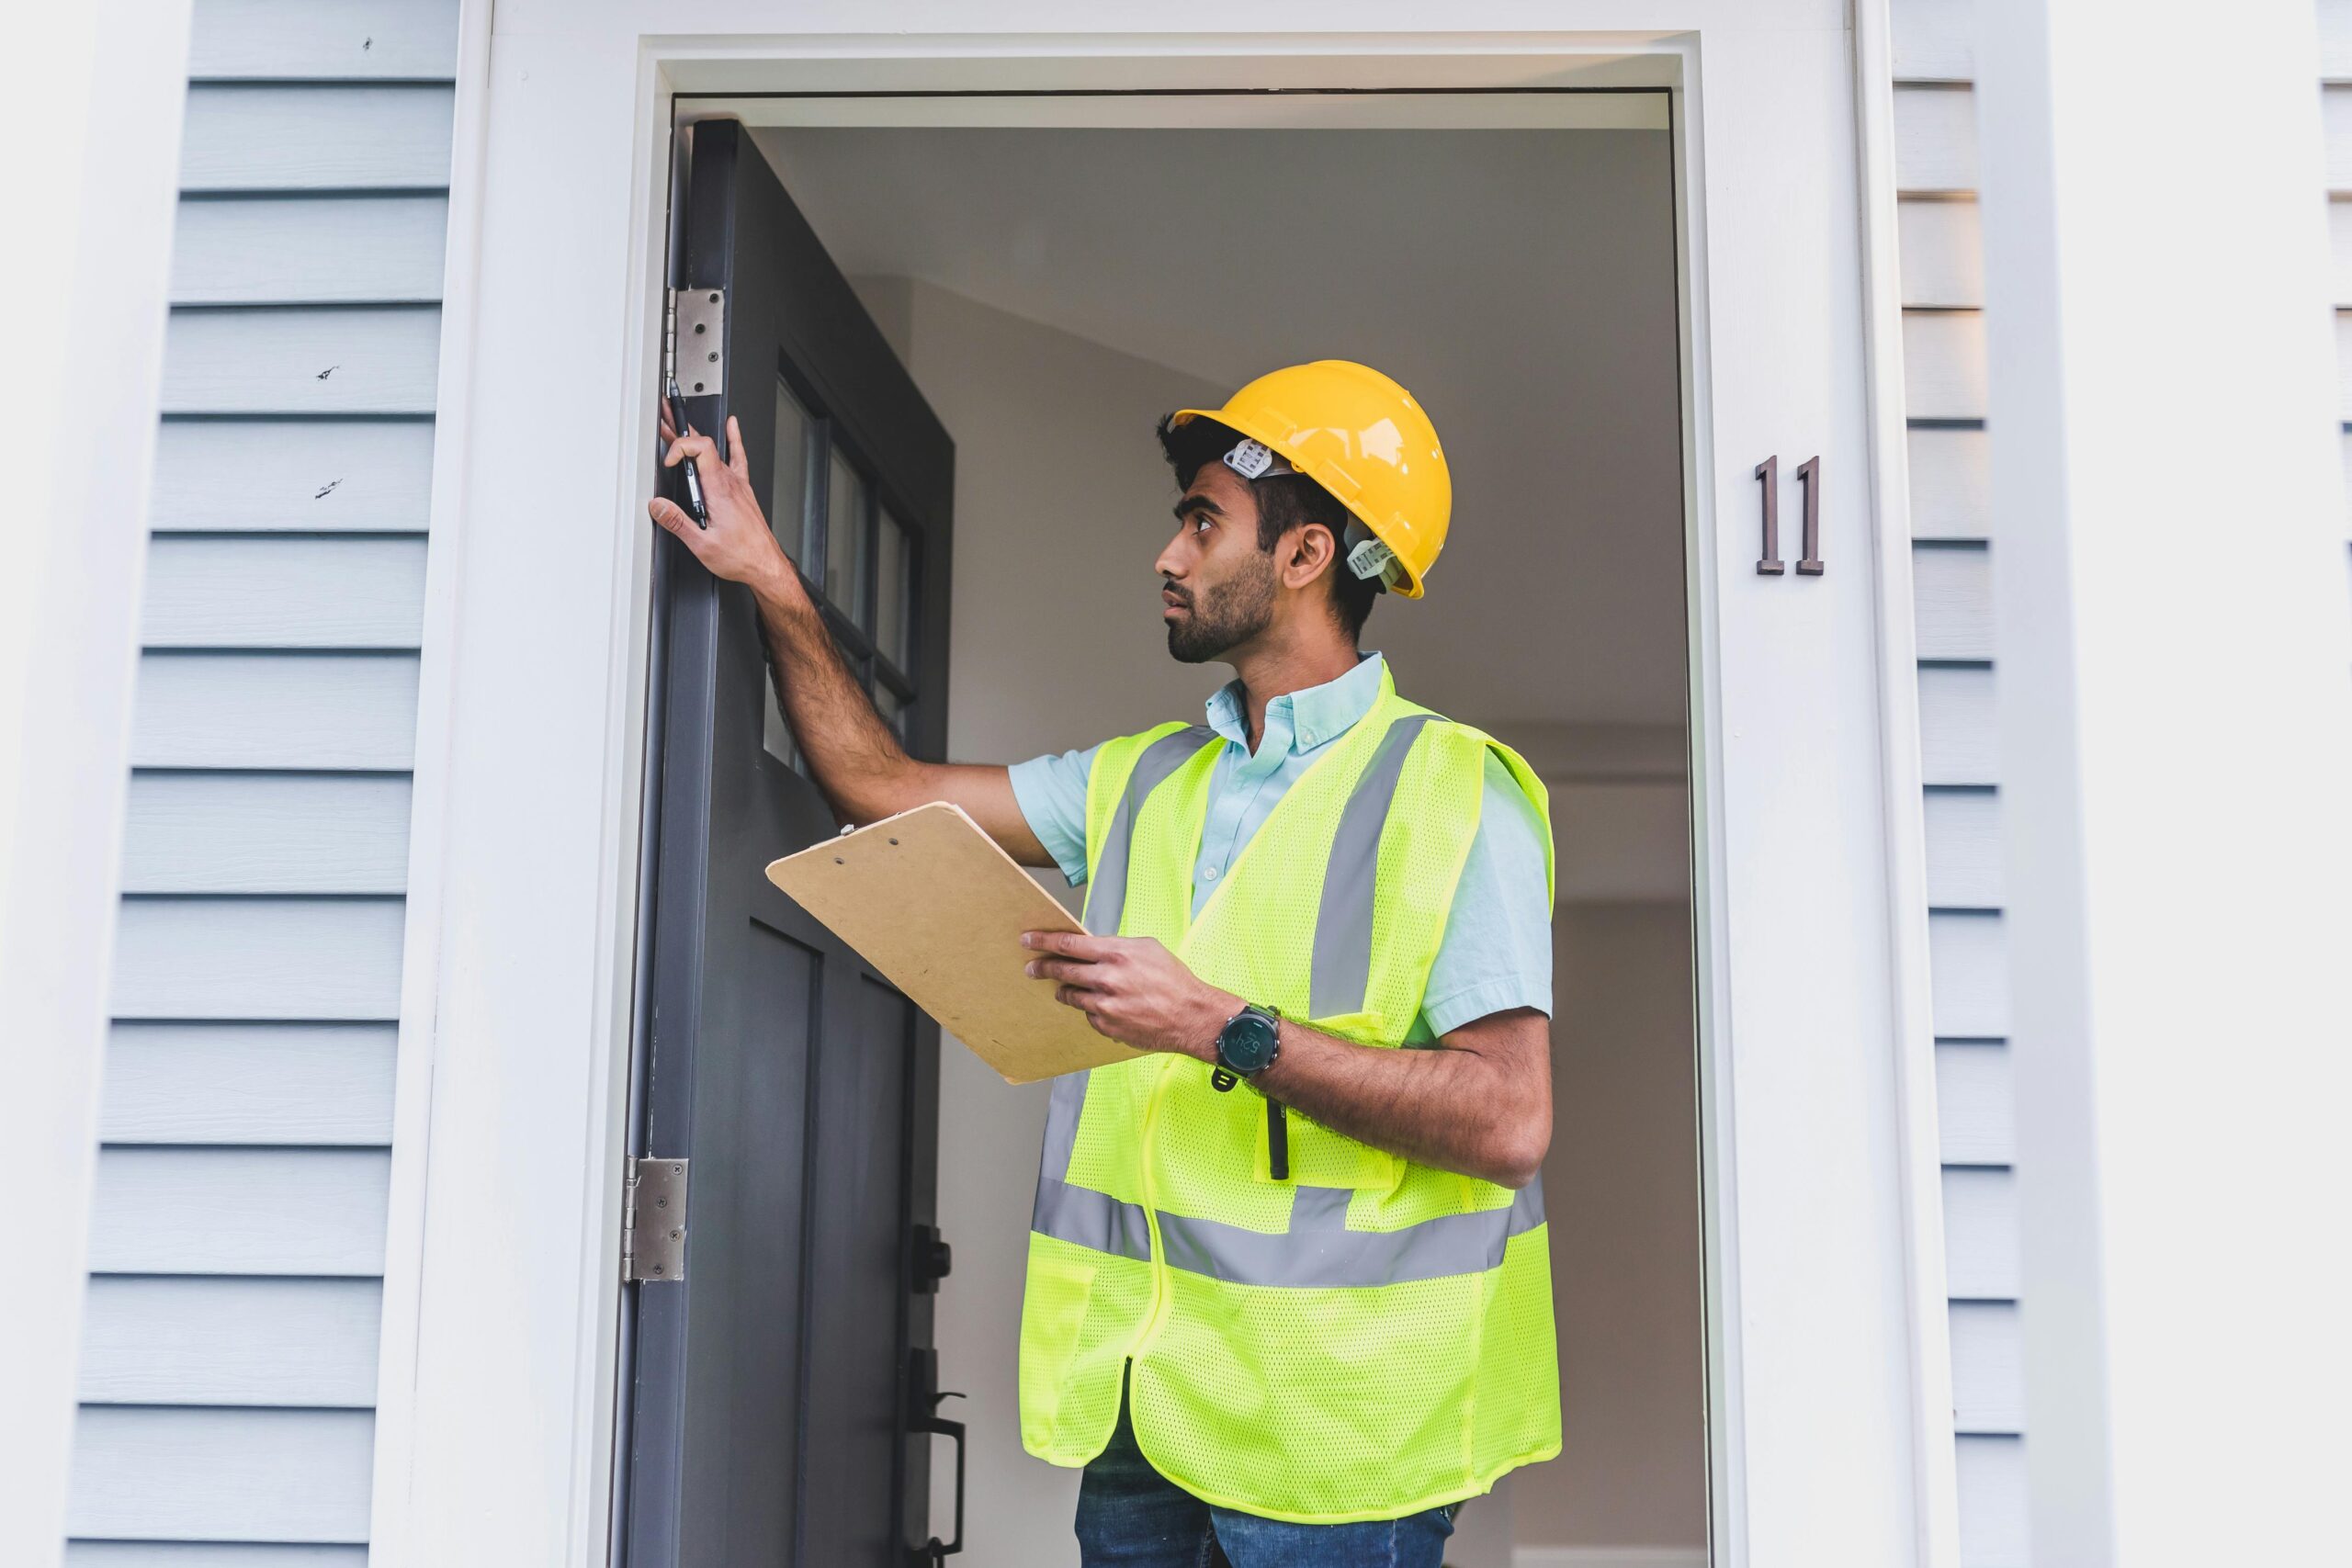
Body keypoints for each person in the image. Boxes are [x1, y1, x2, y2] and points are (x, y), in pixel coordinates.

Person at [650, 360, 1558, 1568]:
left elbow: (1507, 1119)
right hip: (1145, 1413)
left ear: (1306, 556)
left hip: (1341, 1442)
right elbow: (882, 791)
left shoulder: (1457, 793)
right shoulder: (1139, 779)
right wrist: (770, 577)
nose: (1166, 557)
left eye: (1201, 523)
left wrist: (1218, 1024)